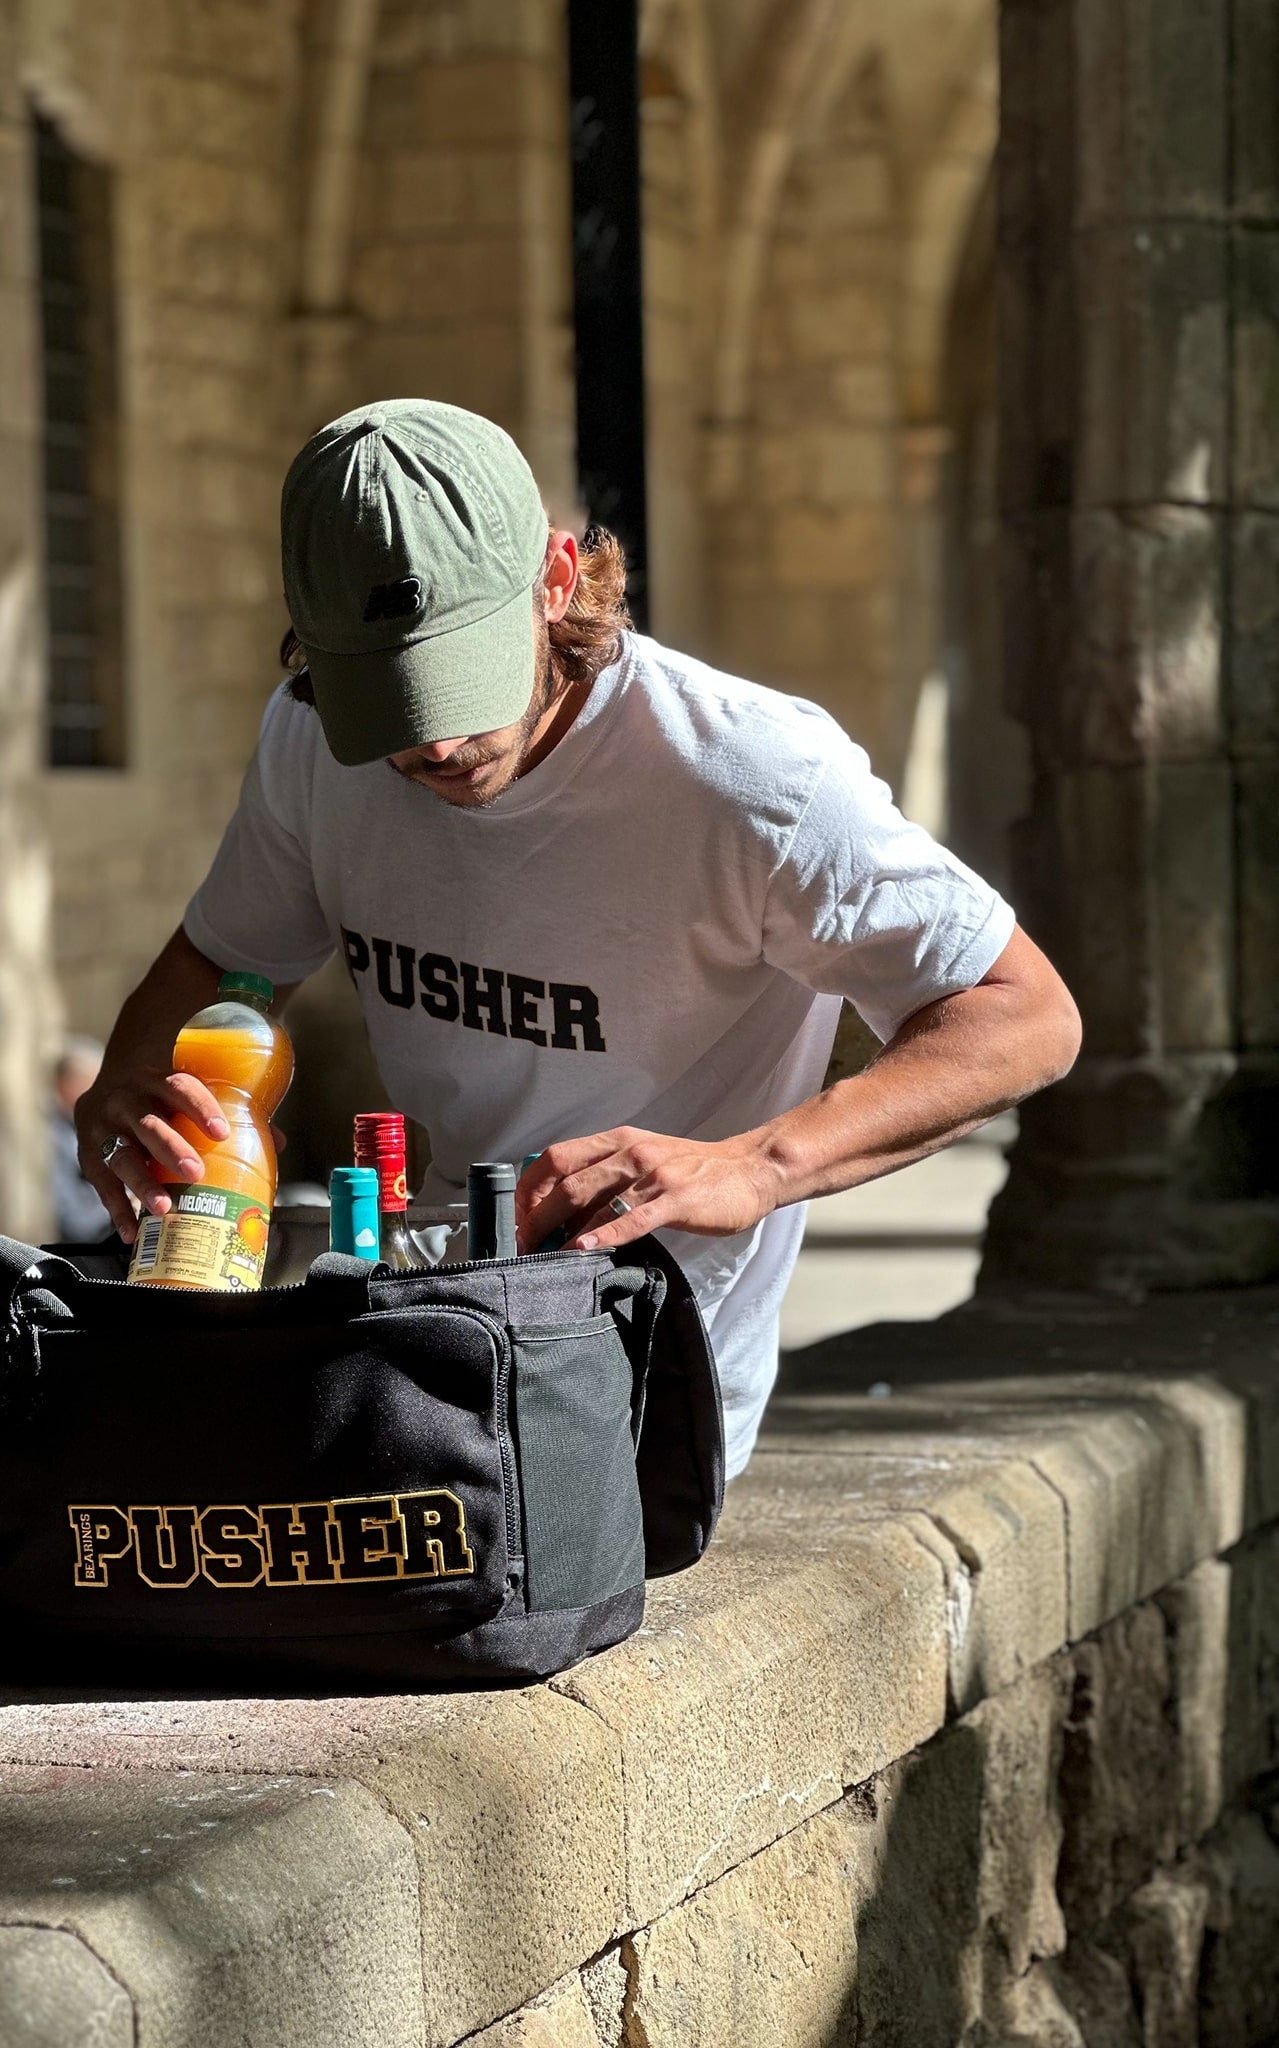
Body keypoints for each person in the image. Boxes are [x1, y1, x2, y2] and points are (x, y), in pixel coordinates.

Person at [76, 400, 1081, 1476]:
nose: (440, 741)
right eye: (391, 706)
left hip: (635, 1384)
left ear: (556, 580)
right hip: (421, 1331)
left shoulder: (749, 773)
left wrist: (756, 1163)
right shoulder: (311, 741)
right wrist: (128, 1084)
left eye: (460, 682)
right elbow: (221, 957)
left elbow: (1024, 1016)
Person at [50, 1036, 112, 1243]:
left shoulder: (79, 1127)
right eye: (91, 1083)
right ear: (66, 1084)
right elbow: (76, 1223)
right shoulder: (54, 1137)